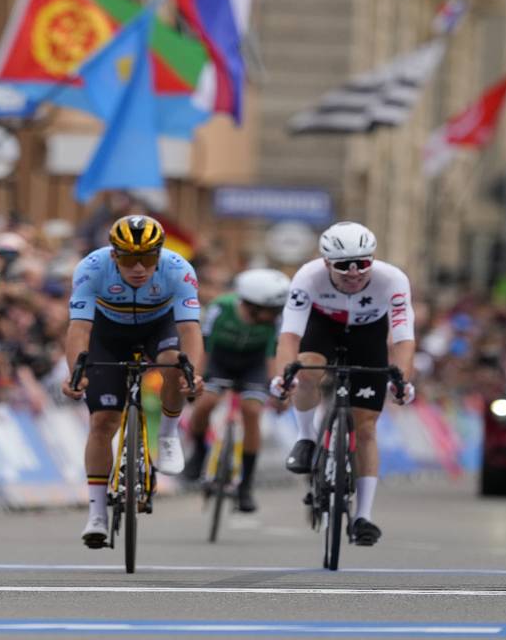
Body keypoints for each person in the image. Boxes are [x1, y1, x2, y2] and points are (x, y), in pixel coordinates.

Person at [60, 215, 205, 549]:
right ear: (114, 256)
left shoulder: (179, 269)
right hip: (109, 335)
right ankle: (97, 514)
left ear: (160, 255)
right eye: (128, 259)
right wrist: (75, 374)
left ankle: (168, 436)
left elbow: (190, 331)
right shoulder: (91, 268)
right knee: (102, 423)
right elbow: (79, 330)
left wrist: (192, 374)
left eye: (148, 258)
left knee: (173, 364)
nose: (139, 268)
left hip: (160, 329)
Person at [270, 221, 417, 547]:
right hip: (323, 326)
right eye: (343, 266)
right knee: (305, 371)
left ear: (373, 259)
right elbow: (290, 336)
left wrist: (402, 380)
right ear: (326, 263)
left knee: (365, 428)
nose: (354, 273)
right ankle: (306, 438)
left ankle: (363, 516)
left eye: (362, 264)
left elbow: (404, 339)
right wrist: (284, 376)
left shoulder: (392, 279)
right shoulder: (308, 277)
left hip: (369, 333)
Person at [184, 268, 290, 513]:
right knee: (206, 403)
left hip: (252, 365)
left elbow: (273, 356)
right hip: (219, 360)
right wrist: (195, 379)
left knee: (252, 411)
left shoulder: (277, 320)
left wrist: (278, 389)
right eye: (271, 310)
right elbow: (204, 346)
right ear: (252, 305)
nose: (276, 315)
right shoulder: (221, 308)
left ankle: (246, 486)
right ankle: (199, 453)